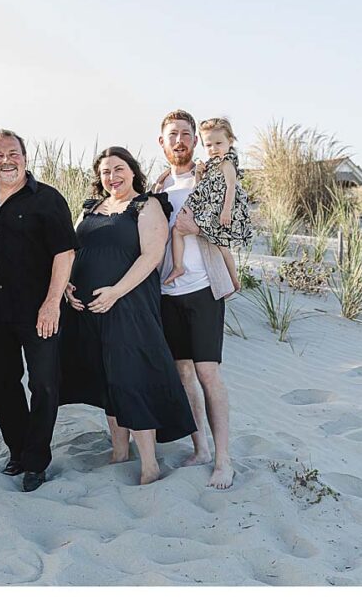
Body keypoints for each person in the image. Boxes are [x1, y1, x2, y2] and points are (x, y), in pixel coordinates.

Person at [60, 147, 197, 485]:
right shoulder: (91, 208)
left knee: (133, 378)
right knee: (106, 378)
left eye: (119, 169)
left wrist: (115, 292)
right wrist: (68, 286)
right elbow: (72, 250)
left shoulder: (146, 205)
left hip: (129, 305)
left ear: (133, 171)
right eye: (106, 171)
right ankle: (120, 452)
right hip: (88, 307)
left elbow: (151, 256)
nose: (112, 176)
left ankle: (149, 462)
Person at [0, 130, 77, 492]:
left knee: (44, 385)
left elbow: (64, 253)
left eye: (13, 153)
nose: (7, 160)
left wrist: (52, 303)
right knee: (1, 386)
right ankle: (18, 450)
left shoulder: (48, 199)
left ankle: (36, 462)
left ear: (25, 156)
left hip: (39, 309)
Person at [154, 109, 235, 489]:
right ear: (162, 142)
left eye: (186, 134)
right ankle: (199, 447)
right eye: (173, 135)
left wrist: (196, 226)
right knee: (183, 373)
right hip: (166, 294)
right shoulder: (155, 188)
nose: (180, 140)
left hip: (203, 289)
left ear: (194, 140)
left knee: (207, 373)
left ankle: (224, 460)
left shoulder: (212, 176)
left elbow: (233, 225)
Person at [165, 117, 253, 292]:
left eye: (218, 143)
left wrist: (226, 211)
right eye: (209, 145)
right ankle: (180, 267)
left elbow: (231, 187)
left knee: (220, 246)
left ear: (230, 141)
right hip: (211, 209)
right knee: (216, 244)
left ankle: (234, 280)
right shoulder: (212, 165)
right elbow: (200, 188)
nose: (213, 149)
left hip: (220, 211)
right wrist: (198, 173)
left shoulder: (227, 163)